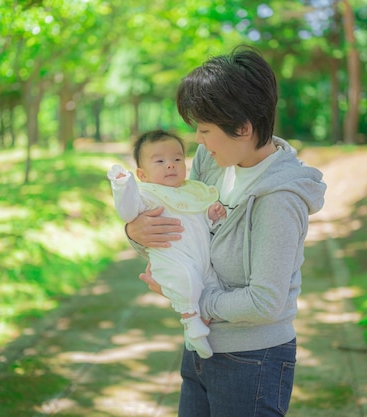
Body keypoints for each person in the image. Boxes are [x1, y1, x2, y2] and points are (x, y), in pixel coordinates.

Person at [125, 46, 327, 417]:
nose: (197, 141)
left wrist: (194, 303)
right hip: (200, 349)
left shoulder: (279, 199)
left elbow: (265, 302)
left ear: (243, 128)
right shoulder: (211, 163)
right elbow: (179, 228)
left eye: (204, 129)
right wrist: (136, 231)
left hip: (253, 361)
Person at [107, 129, 226, 359]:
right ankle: (191, 321)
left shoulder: (192, 191)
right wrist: (123, 187)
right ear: (142, 174)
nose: (170, 165)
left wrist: (212, 214)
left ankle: (201, 322)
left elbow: (202, 221)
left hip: (202, 257)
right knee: (186, 280)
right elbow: (128, 212)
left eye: (177, 159)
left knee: (211, 283)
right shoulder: (147, 194)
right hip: (173, 257)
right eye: (160, 161)